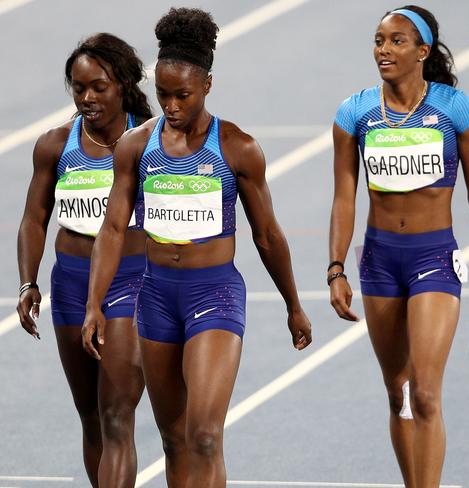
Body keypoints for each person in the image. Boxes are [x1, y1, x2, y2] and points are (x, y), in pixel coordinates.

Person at [80, 8, 312, 488]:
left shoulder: (236, 148)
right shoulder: (135, 147)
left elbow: (267, 234)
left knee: (205, 435)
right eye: (163, 94)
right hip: (157, 296)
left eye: (182, 95)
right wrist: (94, 303)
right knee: (174, 438)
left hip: (215, 294)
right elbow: (112, 230)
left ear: (208, 84)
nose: (171, 106)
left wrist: (293, 304)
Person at [328, 5, 469, 487]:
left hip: (434, 259)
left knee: (425, 392)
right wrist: (336, 268)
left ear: (422, 51)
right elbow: (345, 197)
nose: (384, 49)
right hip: (379, 263)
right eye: (379, 40)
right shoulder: (355, 112)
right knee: (397, 392)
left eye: (397, 41)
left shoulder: (455, 110)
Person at [16, 34, 153, 487]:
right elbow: (34, 220)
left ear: (124, 85)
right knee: (90, 414)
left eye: (99, 87)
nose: (87, 98)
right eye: (78, 88)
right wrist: (27, 283)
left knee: (117, 415)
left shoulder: (152, 142)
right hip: (71, 284)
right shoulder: (56, 145)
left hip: (130, 284)